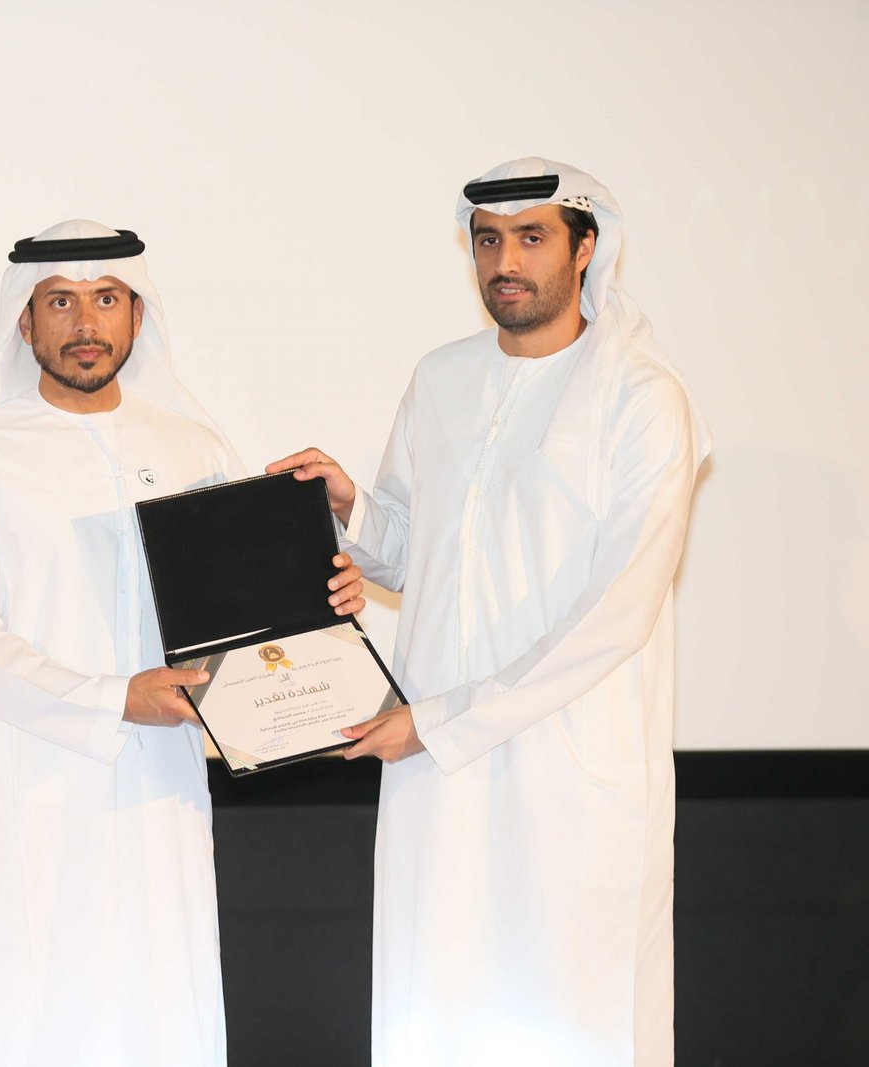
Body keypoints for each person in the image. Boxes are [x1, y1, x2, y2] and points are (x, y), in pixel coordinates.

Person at [0, 220, 366, 1066]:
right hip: (36, 785)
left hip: (162, 788)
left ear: (138, 316)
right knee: (42, 1004)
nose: (85, 323)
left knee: (162, 999)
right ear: (24, 322)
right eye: (59, 302)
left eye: (106, 299)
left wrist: (324, 595)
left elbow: (247, 613)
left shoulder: (193, 448)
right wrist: (114, 698)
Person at [272, 159, 710, 1066]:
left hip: (568, 769)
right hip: (438, 771)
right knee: (438, 1007)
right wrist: (352, 507)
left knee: (571, 1014)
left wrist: (437, 722)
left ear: (585, 249)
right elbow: (412, 549)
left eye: (531, 237)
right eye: (487, 240)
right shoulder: (442, 378)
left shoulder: (641, 395)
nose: (505, 261)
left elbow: (617, 613)